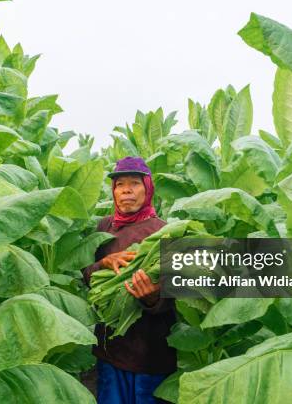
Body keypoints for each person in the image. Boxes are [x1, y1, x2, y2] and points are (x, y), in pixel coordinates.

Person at [82, 156, 176, 404]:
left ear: (147, 188)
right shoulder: (104, 227)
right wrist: (102, 264)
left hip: (152, 354)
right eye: (119, 184)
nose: (126, 190)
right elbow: (85, 274)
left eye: (134, 183)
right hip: (110, 351)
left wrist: (155, 298)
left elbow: (180, 290)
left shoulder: (164, 232)